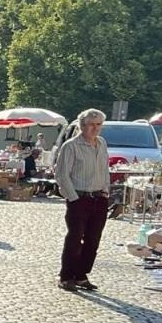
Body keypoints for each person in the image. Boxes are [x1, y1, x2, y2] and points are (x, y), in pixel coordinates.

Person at [55, 107, 112, 292]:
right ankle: (66, 276)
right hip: (79, 197)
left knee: (93, 239)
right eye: (91, 125)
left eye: (99, 125)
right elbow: (62, 174)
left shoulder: (102, 143)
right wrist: (73, 198)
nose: (95, 129)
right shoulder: (71, 146)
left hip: (98, 197)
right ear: (82, 126)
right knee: (75, 237)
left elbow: (104, 169)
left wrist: (105, 191)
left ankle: (81, 274)